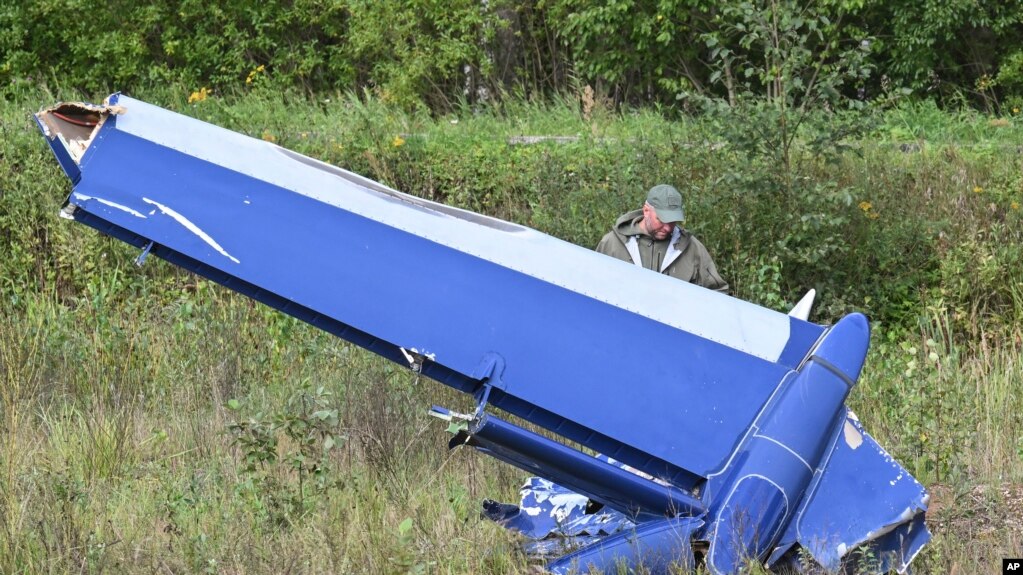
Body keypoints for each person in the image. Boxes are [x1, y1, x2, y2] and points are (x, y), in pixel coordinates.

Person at [596, 184, 728, 293]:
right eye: (661, 220)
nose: (668, 228)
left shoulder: (692, 248)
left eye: (672, 221)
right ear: (646, 211)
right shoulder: (611, 244)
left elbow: (718, 294)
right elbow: (593, 287)